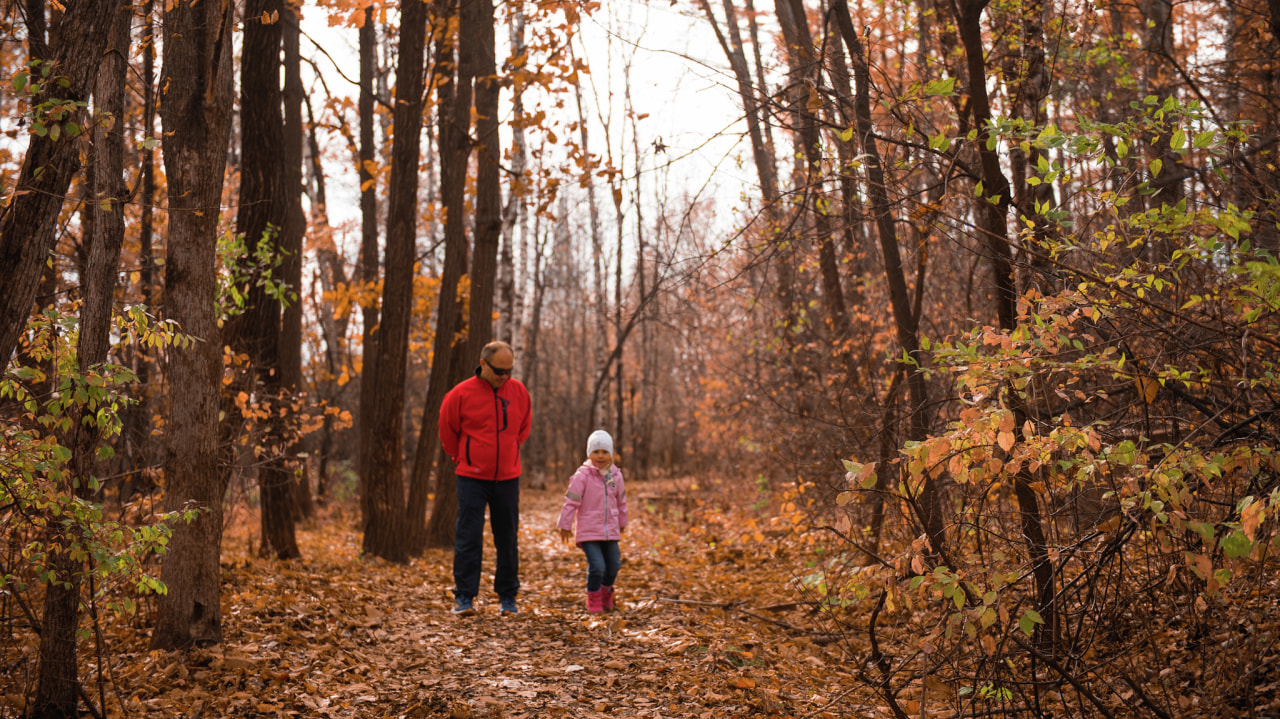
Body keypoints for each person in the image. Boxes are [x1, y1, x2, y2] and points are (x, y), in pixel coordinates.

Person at [440, 341, 532, 616]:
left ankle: (507, 596)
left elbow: (523, 428)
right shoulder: (460, 394)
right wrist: (463, 458)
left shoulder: (518, 392)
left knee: (507, 537)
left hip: (508, 477)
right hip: (471, 478)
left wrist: (510, 453)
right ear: (483, 364)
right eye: (499, 371)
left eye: (509, 371)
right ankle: (465, 597)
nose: (504, 376)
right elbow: (447, 431)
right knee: (468, 537)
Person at [557, 429, 629, 614]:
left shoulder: (616, 476)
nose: (600, 456)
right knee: (597, 566)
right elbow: (571, 502)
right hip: (589, 530)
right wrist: (565, 525)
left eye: (605, 452)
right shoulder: (582, 476)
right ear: (589, 453)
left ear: (610, 454)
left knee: (614, 565)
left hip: (610, 529)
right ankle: (594, 597)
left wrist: (622, 522)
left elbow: (621, 501)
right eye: (596, 452)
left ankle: (606, 594)